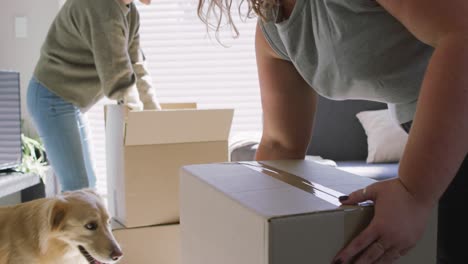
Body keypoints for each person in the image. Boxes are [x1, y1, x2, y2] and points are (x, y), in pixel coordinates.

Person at [198, 0, 467, 263]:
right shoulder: (275, 27)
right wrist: (249, 219)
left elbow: (462, 33)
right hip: (434, 131)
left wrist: (413, 193)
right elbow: (281, 144)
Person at [27, 0, 159, 192]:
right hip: (52, 97)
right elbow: (118, 78)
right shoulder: (103, 7)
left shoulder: (130, 12)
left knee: (89, 186)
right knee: (78, 188)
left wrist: (155, 116)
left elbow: (136, 64)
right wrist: (140, 123)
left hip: (72, 102)